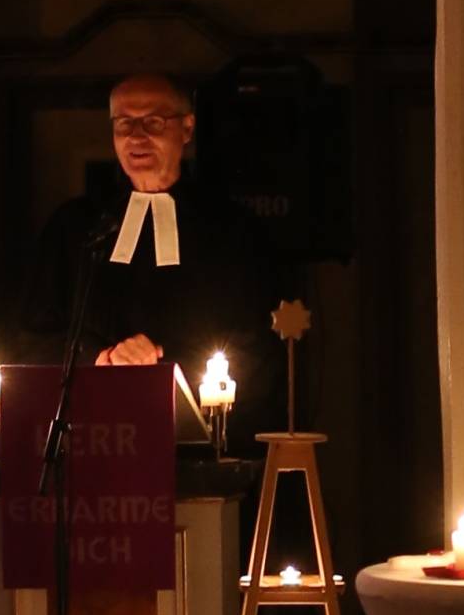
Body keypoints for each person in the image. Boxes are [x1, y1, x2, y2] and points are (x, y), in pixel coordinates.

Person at [20, 73, 284, 445]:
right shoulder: (77, 226)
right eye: (124, 123)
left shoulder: (231, 229)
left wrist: (164, 364)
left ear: (187, 128)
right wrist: (103, 356)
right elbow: (33, 333)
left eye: (153, 122)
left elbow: (255, 341)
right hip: (92, 440)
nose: (136, 136)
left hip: (203, 442)